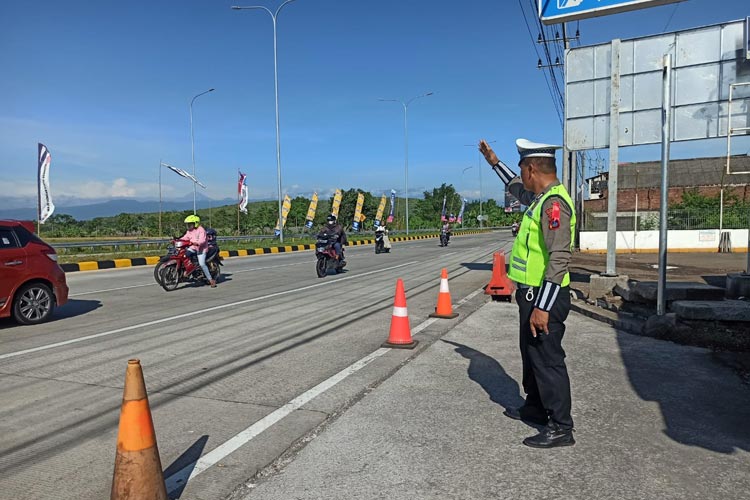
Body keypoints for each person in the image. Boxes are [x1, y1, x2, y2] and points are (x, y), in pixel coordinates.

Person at [479, 137, 576, 449]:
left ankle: (561, 426)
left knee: (548, 360)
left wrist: (542, 307)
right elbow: (513, 186)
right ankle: (534, 407)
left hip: (544, 296)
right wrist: (495, 163)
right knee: (531, 354)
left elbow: (559, 257)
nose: (520, 176)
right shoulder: (538, 198)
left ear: (532, 169)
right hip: (530, 294)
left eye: (522, 169)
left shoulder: (554, 204)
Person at [181, 214, 216, 288]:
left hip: (201, 249)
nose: (188, 226)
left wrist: (197, 243)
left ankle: (211, 280)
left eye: (190, 224)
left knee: (202, 264)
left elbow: (202, 240)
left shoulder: (201, 230)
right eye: (188, 224)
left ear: (195, 223)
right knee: (184, 255)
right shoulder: (189, 231)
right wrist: (178, 240)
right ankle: (187, 271)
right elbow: (185, 238)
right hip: (193, 248)